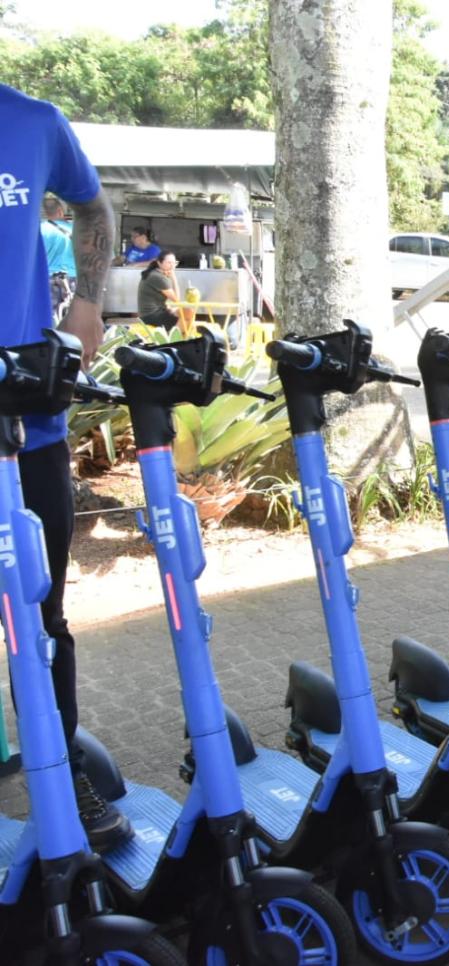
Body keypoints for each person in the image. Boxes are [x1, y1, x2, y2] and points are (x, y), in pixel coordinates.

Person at [0, 83, 131, 849]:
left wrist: (89, 302)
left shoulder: (34, 124)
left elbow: (94, 207)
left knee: (42, 619)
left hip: (28, 425)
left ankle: (59, 769)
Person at [40, 195, 76, 316]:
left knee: (48, 315)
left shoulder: (39, 229)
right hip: (72, 279)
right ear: (60, 211)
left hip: (47, 279)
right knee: (72, 316)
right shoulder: (76, 230)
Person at [137, 251, 183, 329]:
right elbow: (176, 299)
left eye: (174, 263)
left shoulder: (154, 273)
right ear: (159, 263)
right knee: (186, 315)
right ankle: (181, 338)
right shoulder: (158, 277)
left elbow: (156, 299)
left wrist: (169, 308)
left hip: (148, 314)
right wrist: (174, 278)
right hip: (151, 316)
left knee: (180, 311)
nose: (172, 266)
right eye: (169, 263)